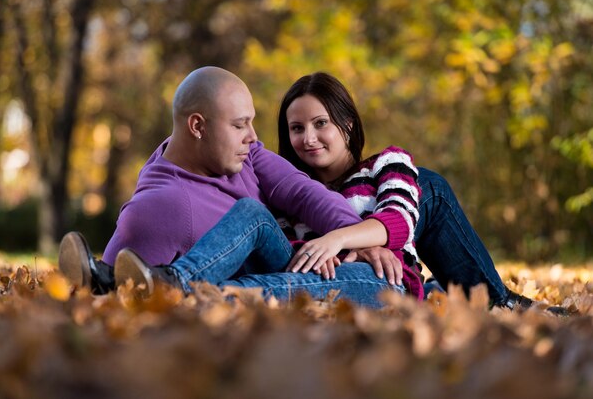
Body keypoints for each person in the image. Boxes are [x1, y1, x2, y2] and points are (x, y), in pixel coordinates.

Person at [59, 66, 407, 308]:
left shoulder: (246, 152)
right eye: (240, 125)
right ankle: (180, 290)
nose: (254, 137)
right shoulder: (158, 208)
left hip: (307, 265)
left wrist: (357, 235)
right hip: (300, 281)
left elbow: (304, 192)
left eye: (251, 123)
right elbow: (118, 283)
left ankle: (176, 285)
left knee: (252, 213)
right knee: (238, 286)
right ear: (198, 126)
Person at [276, 71, 568, 313]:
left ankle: (497, 301)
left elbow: (398, 221)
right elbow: (286, 246)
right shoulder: (289, 192)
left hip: (388, 282)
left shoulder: (386, 164)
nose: (309, 138)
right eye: (297, 128)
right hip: (333, 288)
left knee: (429, 183)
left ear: (348, 124)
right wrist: (357, 249)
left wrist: (336, 240)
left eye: (321, 123)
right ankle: (453, 293)